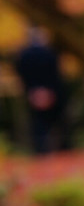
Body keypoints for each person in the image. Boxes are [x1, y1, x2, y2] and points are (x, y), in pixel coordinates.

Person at [14, 26, 70, 154]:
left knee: (39, 126)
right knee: (59, 124)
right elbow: (57, 73)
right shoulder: (50, 52)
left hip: (33, 94)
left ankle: (42, 151)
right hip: (54, 93)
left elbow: (22, 75)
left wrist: (34, 91)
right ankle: (64, 150)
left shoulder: (23, 55)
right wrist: (50, 91)